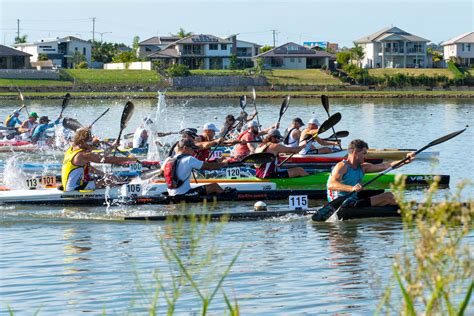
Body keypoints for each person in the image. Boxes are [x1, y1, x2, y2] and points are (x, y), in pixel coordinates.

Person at [327, 139, 415, 207]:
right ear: (355, 152)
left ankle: (402, 208)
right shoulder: (342, 166)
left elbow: (385, 165)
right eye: (364, 153)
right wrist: (352, 188)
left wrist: (405, 161)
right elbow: (331, 185)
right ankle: (407, 210)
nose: (365, 156)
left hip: (353, 198)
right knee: (387, 197)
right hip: (340, 203)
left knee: (389, 194)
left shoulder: (363, 167)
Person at [61, 127, 137, 191]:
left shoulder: (71, 150)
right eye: (89, 141)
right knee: (110, 180)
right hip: (75, 189)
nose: (91, 144)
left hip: (70, 187)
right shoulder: (82, 155)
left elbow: (91, 166)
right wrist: (130, 159)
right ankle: (124, 192)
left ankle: (125, 185)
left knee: (110, 177)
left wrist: (112, 146)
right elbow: (106, 159)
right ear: (82, 142)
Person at [161, 139, 231, 197]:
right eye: (193, 149)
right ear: (185, 148)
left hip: (171, 194)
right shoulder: (189, 159)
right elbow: (209, 167)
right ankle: (227, 203)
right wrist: (223, 164)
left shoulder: (168, 159)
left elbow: (161, 173)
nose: (194, 152)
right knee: (214, 186)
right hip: (184, 194)